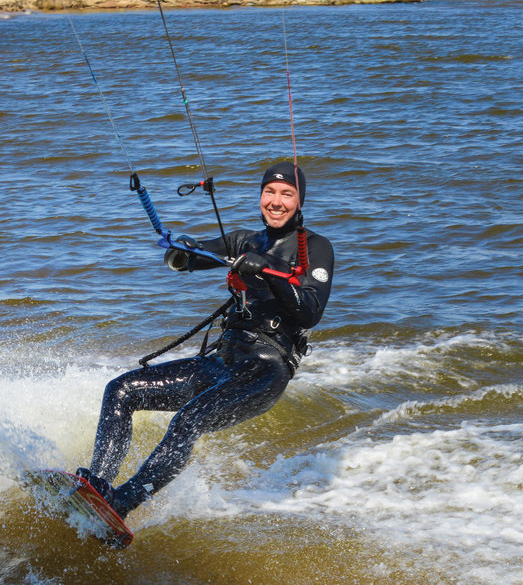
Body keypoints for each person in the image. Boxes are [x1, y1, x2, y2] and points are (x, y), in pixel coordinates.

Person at [76, 161, 334, 518]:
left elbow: (310, 312)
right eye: (269, 192)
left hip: (265, 371)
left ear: (300, 201)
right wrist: (182, 253)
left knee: (188, 420)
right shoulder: (244, 240)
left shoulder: (316, 249)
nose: (276, 201)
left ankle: (121, 505)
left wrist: (268, 272)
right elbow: (197, 256)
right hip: (222, 362)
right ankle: (97, 488)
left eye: (287, 194)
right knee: (121, 390)